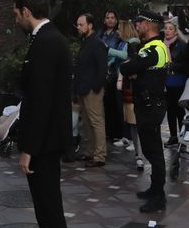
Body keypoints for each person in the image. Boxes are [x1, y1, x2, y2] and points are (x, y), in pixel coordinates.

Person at [7, 0, 73, 228]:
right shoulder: (45, 39)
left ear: (26, 10)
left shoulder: (47, 42)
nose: (14, 17)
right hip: (45, 142)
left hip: (44, 146)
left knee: (51, 219)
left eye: (15, 11)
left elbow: (42, 102)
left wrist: (28, 150)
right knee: (46, 219)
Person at [120, 11, 171, 212]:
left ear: (149, 25)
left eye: (139, 22)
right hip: (147, 104)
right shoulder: (151, 47)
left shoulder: (154, 48)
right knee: (151, 150)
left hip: (151, 106)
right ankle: (155, 189)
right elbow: (131, 67)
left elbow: (128, 67)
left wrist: (133, 70)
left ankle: (159, 197)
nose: (137, 25)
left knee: (154, 152)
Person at [72, 13, 108, 167]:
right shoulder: (86, 41)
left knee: (96, 122)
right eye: (78, 25)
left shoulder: (97, 43)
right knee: (87, 123)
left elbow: (102, 68)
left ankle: (100, 155)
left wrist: (95, 87)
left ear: (90, 25)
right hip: (83, 89)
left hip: (92, 90)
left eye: (81, 24)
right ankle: (90, 151)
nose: (78, 27)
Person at [98, 11, 131, 155]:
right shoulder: (100, 34)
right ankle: (110, 132)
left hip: (114, 72)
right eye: (107, 18)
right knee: (105, 104)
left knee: (117, 104)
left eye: (113, 18)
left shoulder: (119, 35)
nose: (110, 20)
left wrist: (108, 51)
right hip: (101, 71)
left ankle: (120, 133)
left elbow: (122, 54)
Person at [162, 20, 187, 146]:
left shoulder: (181, 44)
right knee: (170, 110)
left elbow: (185, 64)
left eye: (170, 28)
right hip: (165, 81)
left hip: (178, 81)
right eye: (165, 28)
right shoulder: (162, 45)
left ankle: (183, 136)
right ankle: (173, 136)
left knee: (179, 110)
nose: (167, 31)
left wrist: (172, 66)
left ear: (175, 31)